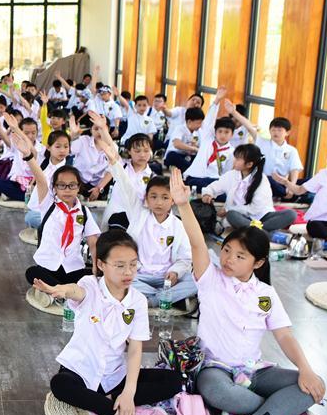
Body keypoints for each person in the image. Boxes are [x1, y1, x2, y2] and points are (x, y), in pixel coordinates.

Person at [170, 169, 325, 415]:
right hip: (215, 369)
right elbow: (195, 241)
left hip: (254, 371)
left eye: (240, 256)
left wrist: (306, 370)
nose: (228, 259)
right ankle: (282, 413)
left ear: (257, 263)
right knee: (218, 393)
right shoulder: (210, 279)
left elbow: (285, 336)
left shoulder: (265, 295)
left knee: (316, 384)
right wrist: (183, 204)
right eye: (227, 250)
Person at [37, 230, 181, 415]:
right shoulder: (90, 285)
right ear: (101, 265)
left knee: (174, 381)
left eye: (133, 264)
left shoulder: (138, 301)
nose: (128, 272)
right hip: (80, 371)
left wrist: (129, 392)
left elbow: (134, 349)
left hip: (115, 376)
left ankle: (97, 404)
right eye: (120, 266)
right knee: (59, 385)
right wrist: (62, 290)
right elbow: (76, 291)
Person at [97, 133, 196, 307]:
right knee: (114, 278)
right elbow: (126, 184)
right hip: (138, 274)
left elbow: (186, 257)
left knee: (196, 281)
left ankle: (151, 300)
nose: (159, 202)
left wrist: (175, 272)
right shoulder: (138, 213)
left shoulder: (178, 225)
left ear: (173, 200)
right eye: (154, 197)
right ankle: (166, 299)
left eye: (165, 198)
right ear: (146, 199)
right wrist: (114, 162)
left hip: (166, 278)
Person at [20, 125, 100, 290]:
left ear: (79, 187)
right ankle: (64, 291)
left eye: (72, 186)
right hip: (49, 266)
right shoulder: (49, 204)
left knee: (96, 278)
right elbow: (41, 179)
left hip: (73, 266)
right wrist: (28, 156)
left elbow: (93, 240)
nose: (67, 190)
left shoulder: (84, 212)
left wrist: (96, 264)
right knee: (32, 273)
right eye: (62, 186)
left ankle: (58, 291)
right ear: (54, 188)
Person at [199, 144, 297, 234]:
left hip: (262, 218)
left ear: (249, 164)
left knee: (291, 214)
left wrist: (228, 209)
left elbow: (255, 209)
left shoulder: (262, 180)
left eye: (238, 159)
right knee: (232, 215)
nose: (234, 161)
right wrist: (207, 194)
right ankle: (261, 233)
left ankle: (256, 231)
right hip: (241, 218)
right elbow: (213, 187)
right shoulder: (231, 175)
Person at [98, 133, 154, 230]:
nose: (142, 155)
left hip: (138, 219)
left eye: (146, 151)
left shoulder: (152, 176)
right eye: (137, 151)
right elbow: (111, 148)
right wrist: (103, 129)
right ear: (129, 151)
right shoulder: (121, 166)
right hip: (116, 215)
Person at [184, 88, 235, 192]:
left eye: (226, 132)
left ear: (232, 134)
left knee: (221, 188)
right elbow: (209, 120)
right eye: (220, 131)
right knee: (193, 183)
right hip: (196, 176)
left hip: (214, 180)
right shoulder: (208, 139)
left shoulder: (232, 151)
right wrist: (217, 100)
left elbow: (227, 172)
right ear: (215, 132)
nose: (222, 135)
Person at [25, 130, 72, 230]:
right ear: (48, 147)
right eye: (58, 146)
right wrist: (15, 128)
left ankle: (53, 228)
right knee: (31, 217)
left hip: (56, 210)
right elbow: (30, 148)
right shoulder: (45, 162)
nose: (62, 150)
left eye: (66, 146)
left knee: (31, 218)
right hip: (39, 207)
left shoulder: (68, 169)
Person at [254, 117, 306, 201]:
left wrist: (291, 186)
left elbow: (294, 169)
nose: (276, 133)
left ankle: (289, 194)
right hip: (266, 182)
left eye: (279, 130)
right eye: (273, 130)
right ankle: (290, 195)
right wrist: (234, 112)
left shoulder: (292, 150)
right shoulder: (263, 143)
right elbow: (249, 127)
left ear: (287, 132)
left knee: (309, 181)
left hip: (284, 183)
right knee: (267, 178)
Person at [163, 107, 205, 173]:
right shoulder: (179, 128)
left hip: (188, 157)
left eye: (201, 123)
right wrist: (193, 148)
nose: (200, 125)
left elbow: (200, 147)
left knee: (199, 158)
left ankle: (191, 170)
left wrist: (196, 148)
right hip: (177, 155)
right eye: (198, 123)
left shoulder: (198, 132)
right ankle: (192, 171)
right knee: (172, 155)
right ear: (189, 121)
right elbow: (177, 144)